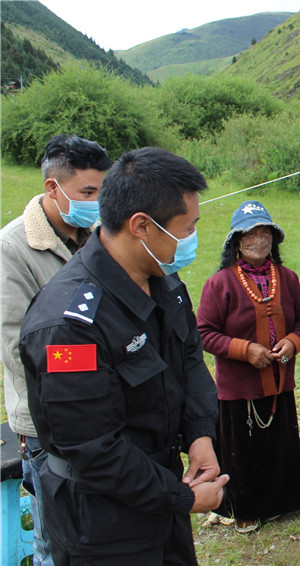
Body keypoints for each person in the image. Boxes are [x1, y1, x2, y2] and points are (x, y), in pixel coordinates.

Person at [18, 147, 229, 566]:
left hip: (161, 496)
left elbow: (189, 361)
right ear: (141, 226)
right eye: (186, 229)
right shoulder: (69, 326)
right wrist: (182, 497)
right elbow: (93, 449)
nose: (191, 239)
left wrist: (200, 435)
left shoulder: (165, 283)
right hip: (102, 522)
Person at [0, 134, 110, 566]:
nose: (97, 202)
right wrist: (99, 365)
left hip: (104, 407)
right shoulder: (12, 249)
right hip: (48, 419)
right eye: (88, 192)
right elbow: (18, 349)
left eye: (102, 191)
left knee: (103, 527)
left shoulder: (98, 236)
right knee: (56, 537)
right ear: (53, 187)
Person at [197, 200, 300, 534]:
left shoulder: (287, 279)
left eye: (265, 233)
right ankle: (244, 509)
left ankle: (279, 504)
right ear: (236, 242)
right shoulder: (219, 284)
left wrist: (292, 342)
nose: (259, 240)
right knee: (242, 451)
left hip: (279, 382)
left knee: (279, 445)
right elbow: (203, 333)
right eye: (250, 234)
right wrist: (245, 350)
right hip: (239, 388)